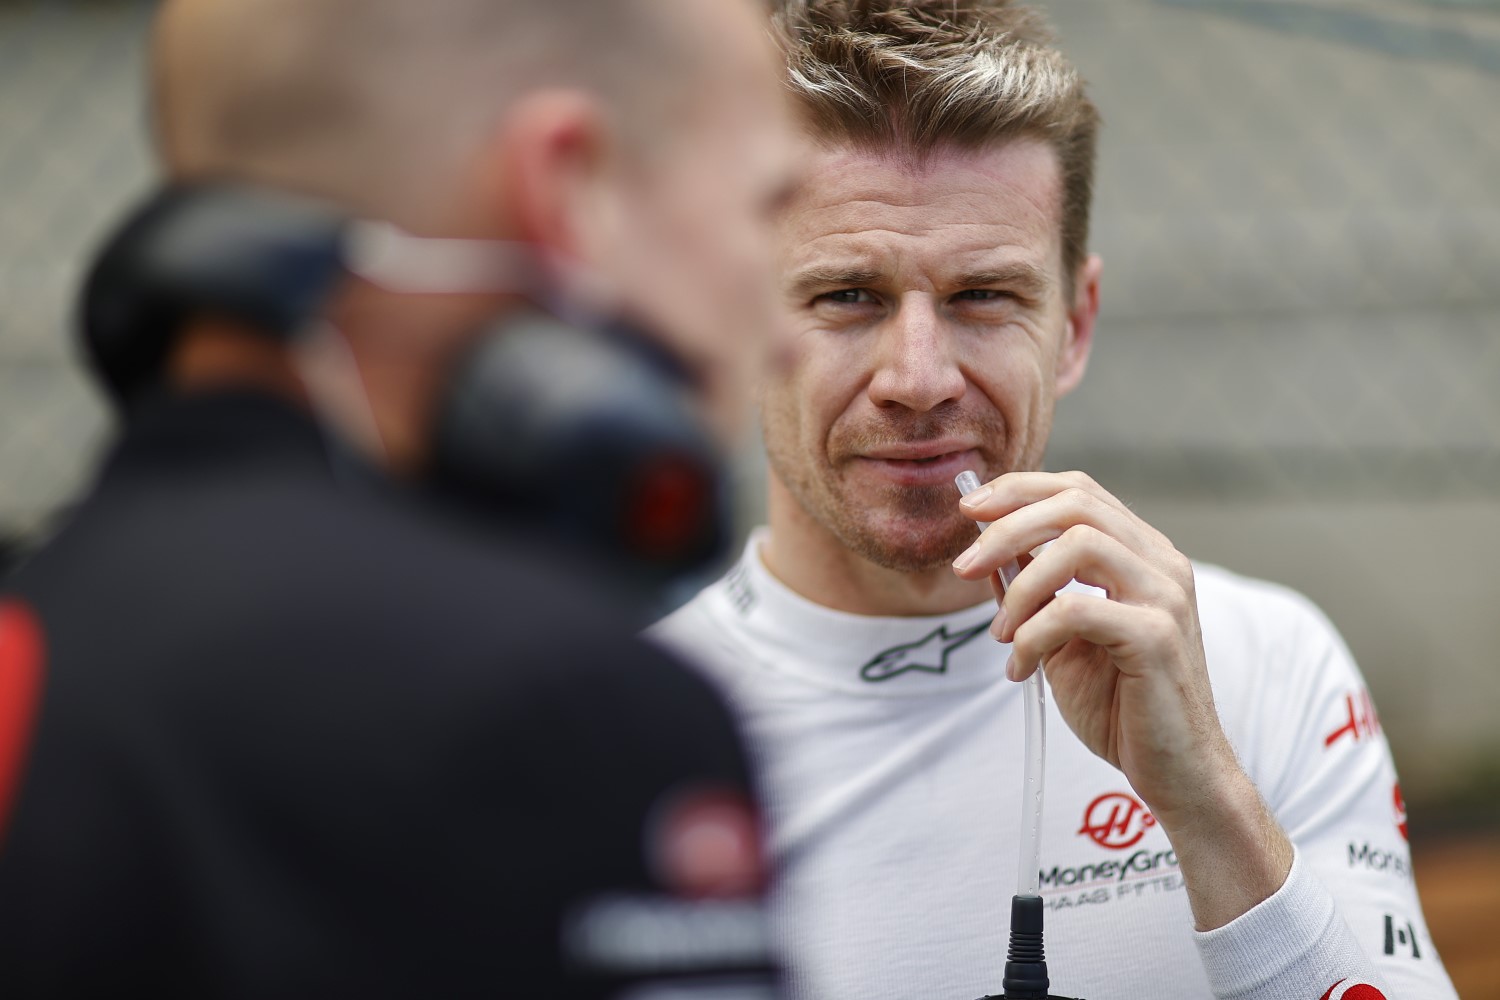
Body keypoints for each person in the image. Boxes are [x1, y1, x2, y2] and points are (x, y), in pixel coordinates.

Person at [650, 2, 1458, 997]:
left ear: (1073, 324)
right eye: (847, 295)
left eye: (983, 296)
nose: (919, 376)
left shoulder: (1261, 662)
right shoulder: (616, 726)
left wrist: (1206, 799)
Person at [0, 0, 796, 996]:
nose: (787, 332)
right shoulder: (565, 708)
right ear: (568, 185)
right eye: (767, 207)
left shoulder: (39, 637)